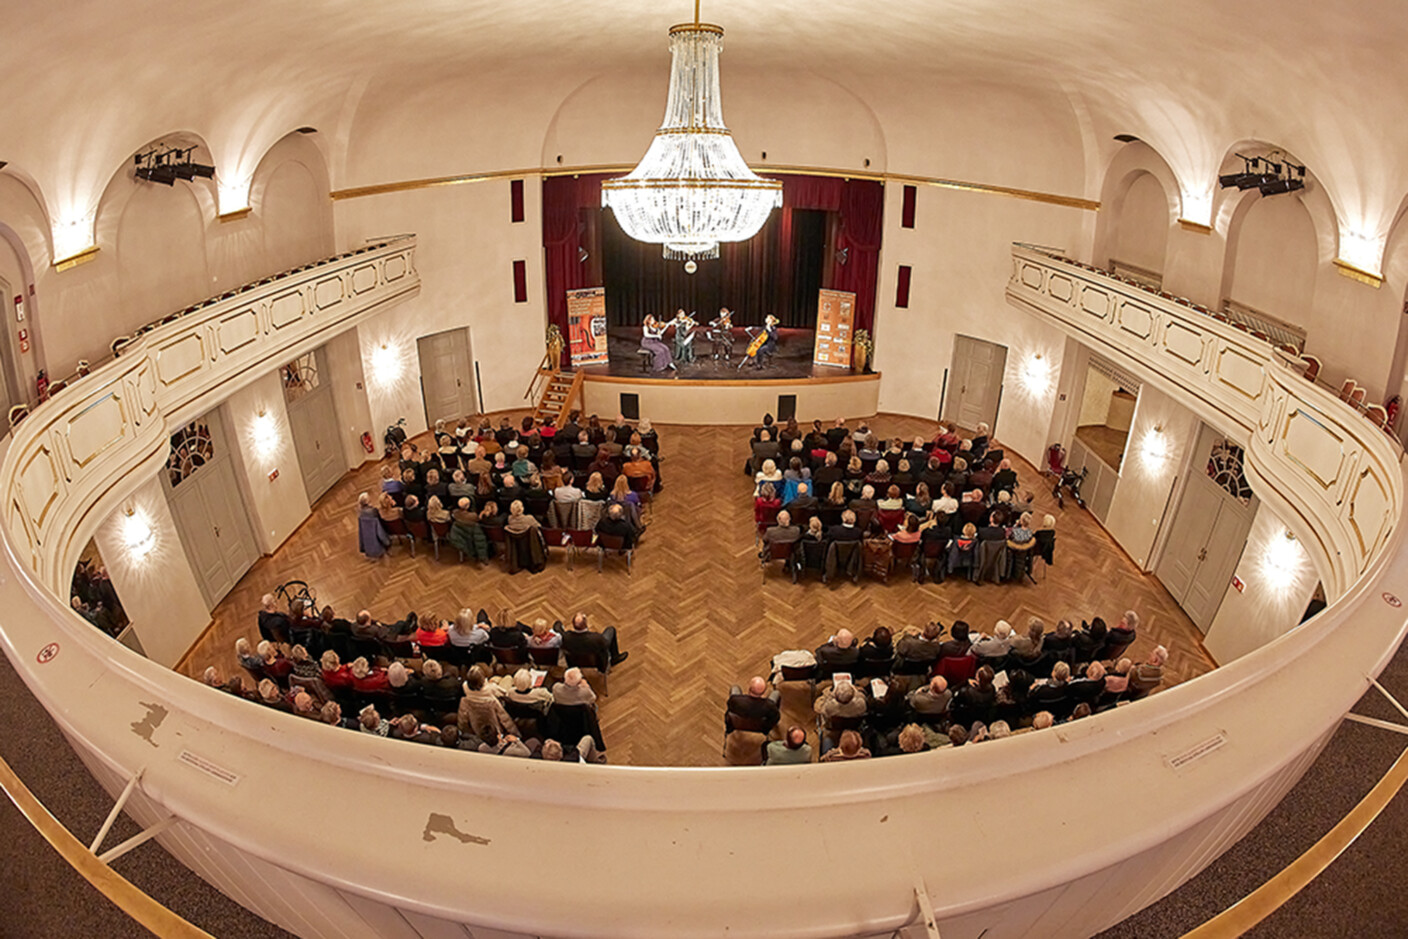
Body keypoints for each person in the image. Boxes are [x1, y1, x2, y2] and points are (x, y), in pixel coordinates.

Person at [458, 665, 518, 739]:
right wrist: (516, 734)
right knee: (508, 678)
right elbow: (505, 718)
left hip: (476, 729)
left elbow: (462, 720)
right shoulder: (491, 691)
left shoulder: (465, 699)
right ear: (483, 679)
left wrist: (464, 733)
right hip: (495, 730)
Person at [561, 612, 629, 667]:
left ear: (573, 624)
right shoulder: (596, 638)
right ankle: (615, 658)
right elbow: (605, 645)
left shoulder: (566, 637)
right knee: (611, 630)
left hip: (575, 663)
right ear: (585, 624)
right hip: (596, 664)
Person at [358, 493, 390, 558]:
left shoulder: (360, 514)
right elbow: (380, 528)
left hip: (368, 546)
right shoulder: (374, 512)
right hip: (378, 546)